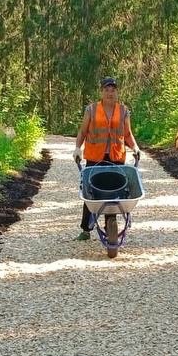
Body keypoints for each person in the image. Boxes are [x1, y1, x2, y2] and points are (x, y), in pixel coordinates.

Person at [73, 76, 141, 239]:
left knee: (114, 192)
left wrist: (135, 146)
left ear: (117, 92)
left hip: (116, 157)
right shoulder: (91, 109)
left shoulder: (123, 110)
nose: (110, 93)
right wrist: (77, 148)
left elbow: (127, 134)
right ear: (101, 92)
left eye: (113, 90)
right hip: (95, 156)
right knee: (91, 192)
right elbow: (83, 131)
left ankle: (110, 224)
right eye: (106, 90)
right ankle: (85, 229)